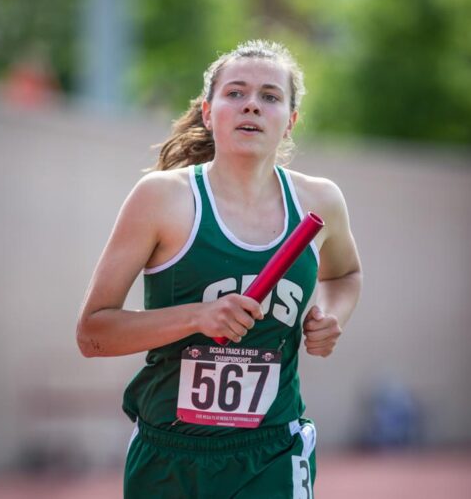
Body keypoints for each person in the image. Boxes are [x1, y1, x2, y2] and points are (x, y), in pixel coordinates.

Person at [77, 39, 362, 498]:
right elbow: (93, 333)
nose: (252, 104)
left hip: (272, 451)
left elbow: (344, 275)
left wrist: (331, 317)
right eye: (236, 93)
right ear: (209, 113)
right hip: (168, 453)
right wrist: (197, 316)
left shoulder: (319, 200)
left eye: (270, 96)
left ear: (289, 122)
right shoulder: (161, 199)